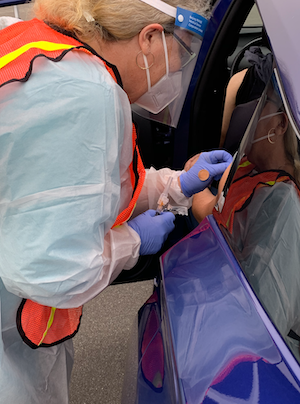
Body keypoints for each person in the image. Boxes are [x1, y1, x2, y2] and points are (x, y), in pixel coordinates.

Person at [0, 0, 232, 402]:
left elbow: (90, 189)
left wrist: (176, 185)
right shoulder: (87, 93)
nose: (178, 71)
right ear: (149, 38)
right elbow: (52, 271)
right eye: (183, 51)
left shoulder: (41, 51)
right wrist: (134, 242)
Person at [193, 77, 300, 362]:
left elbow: (264, 325)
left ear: (280, 125)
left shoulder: (284, 203)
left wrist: (189, 187)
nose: (251, 112)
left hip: (250, 345)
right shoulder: (248, 168)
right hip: (221, 304)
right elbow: (215, 211)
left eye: (263, 105)